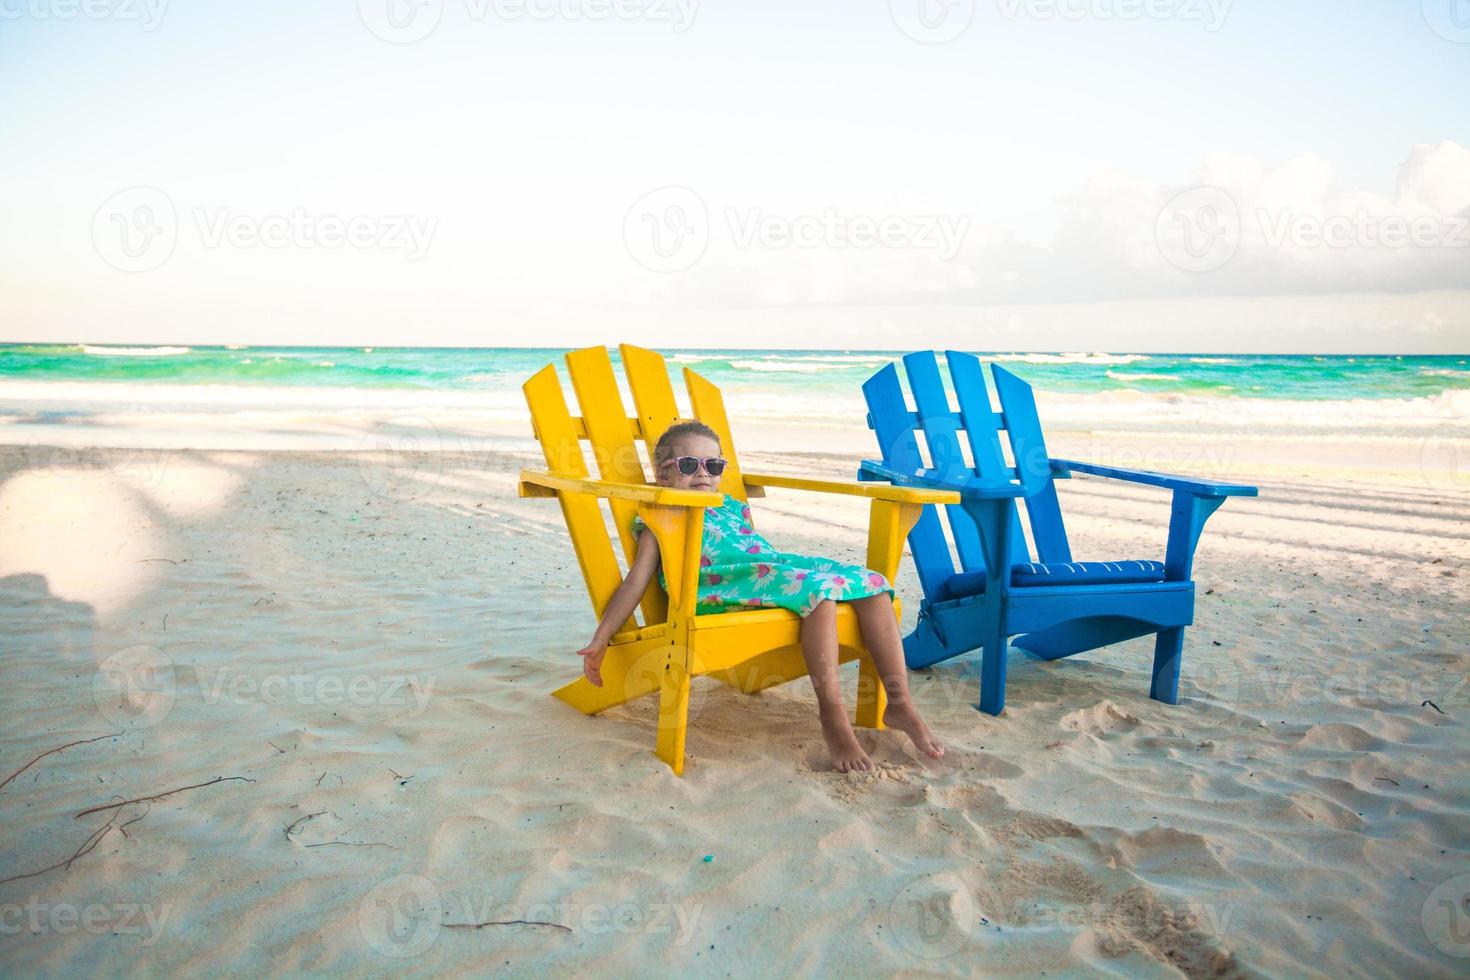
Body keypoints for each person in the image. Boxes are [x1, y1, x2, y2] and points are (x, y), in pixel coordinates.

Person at [576, 419, 943, 773]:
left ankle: (900, 704)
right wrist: (603, 636)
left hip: (767, 573)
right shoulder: (660, 518)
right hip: (716, 591)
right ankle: (833, 718)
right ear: (665, 474)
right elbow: (636, 581)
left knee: (874, 584)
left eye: (714, 464)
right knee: (819, 594)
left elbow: (754, 550)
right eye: (689, 464)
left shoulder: (730, 507)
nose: (703, 473)